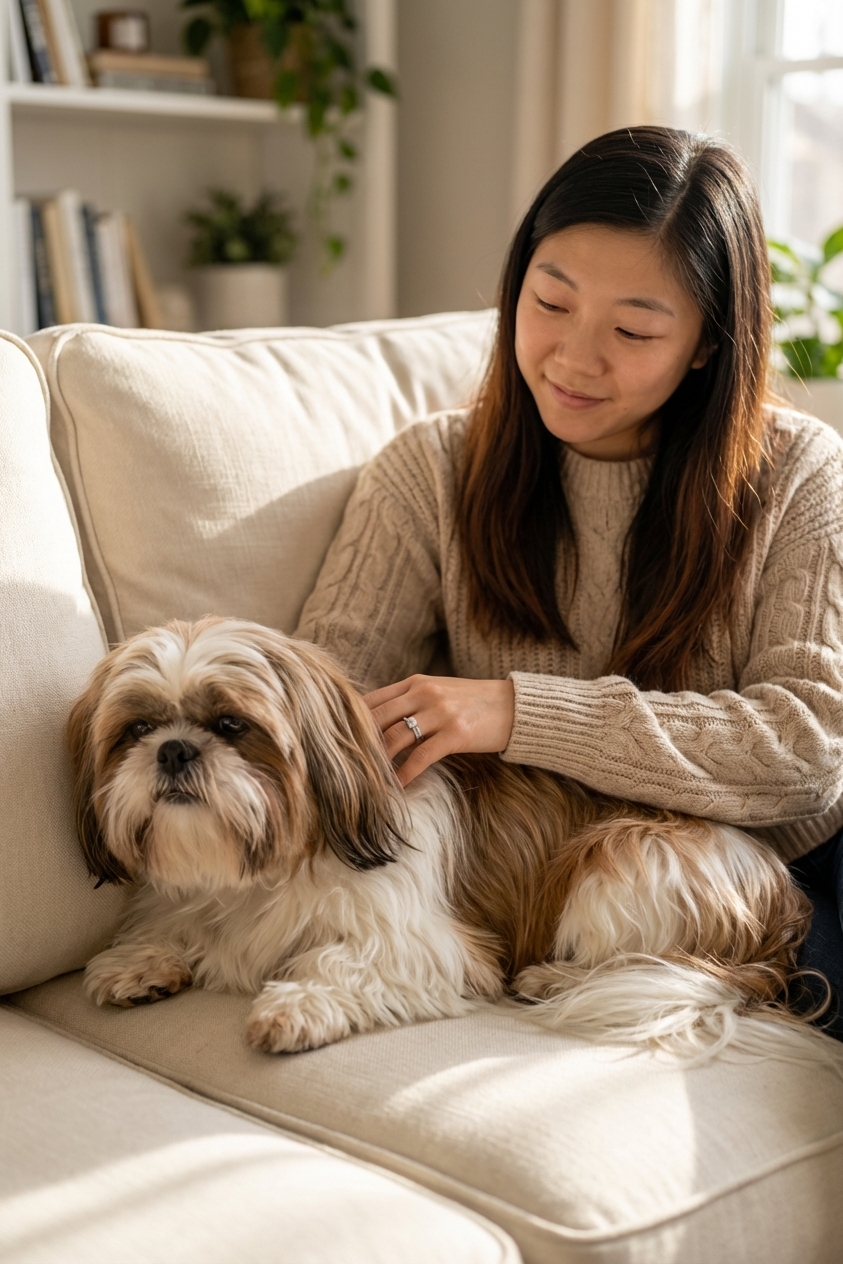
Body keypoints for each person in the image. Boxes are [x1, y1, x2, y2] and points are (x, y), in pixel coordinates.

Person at [295, 125, 843, 1039]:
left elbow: (806, 746)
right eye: (549, 302)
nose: (571, 358)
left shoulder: (798, 475)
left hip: (788, 878)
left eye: (632, 329)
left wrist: (518, 713)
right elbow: (315, 717)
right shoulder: (429, 473)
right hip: (541, 884)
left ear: (707, 343)